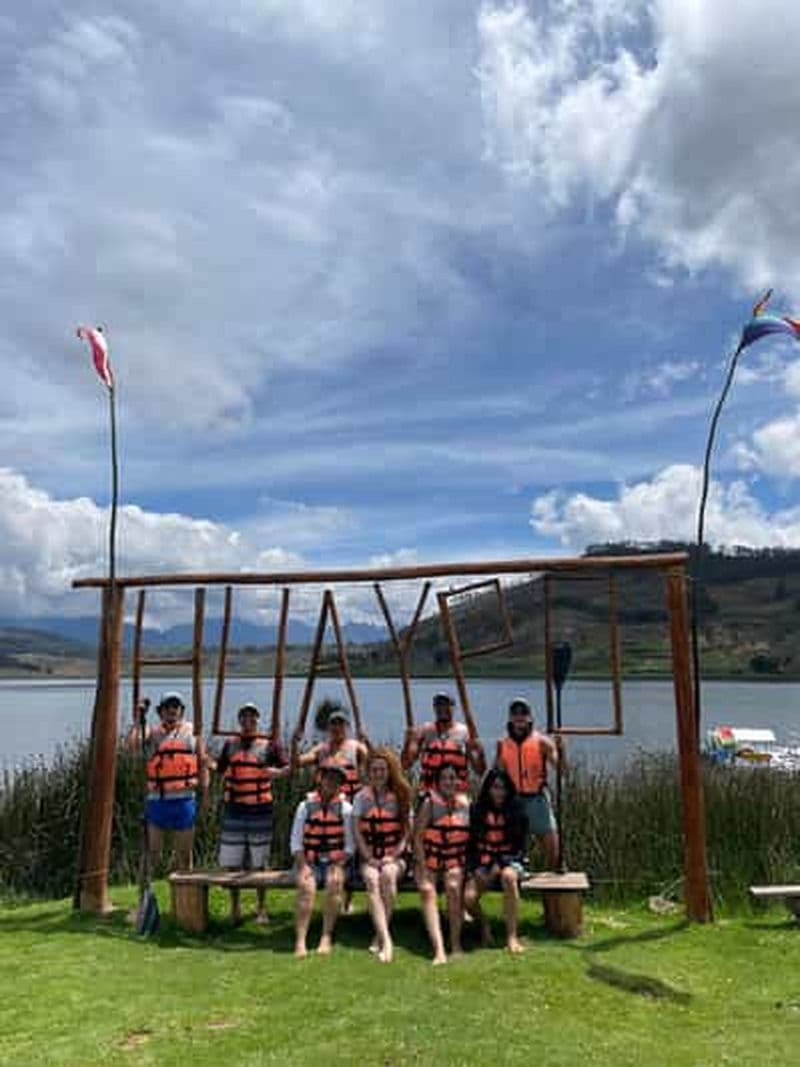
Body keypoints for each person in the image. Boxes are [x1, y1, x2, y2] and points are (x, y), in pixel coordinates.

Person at [214, 702, 289, 925]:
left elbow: (287, 768)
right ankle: (235, 908)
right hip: (234, 809)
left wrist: (273, 773)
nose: (248, 722)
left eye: (252, 717)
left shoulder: (270, 745)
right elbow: (220, 771)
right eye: (244, 717)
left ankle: (261, 908)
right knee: (232, 863)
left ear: (257, 720)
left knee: (259, 862)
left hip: (260, 810)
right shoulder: (229, 745)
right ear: (239, 720)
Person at [126, 690, 209, 874]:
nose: (172, 710)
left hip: (185, 801)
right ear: (160, 711)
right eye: (167, 707)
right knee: (152, 853)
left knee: (184, 854)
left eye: (175, 706)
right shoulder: (152, 732)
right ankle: (144, 893)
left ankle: (186, 897)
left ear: (181, 710)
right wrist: (139, 718)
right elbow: (132, 745)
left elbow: (203, 764)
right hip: (158, 801)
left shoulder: (193, 733)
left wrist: (205, 797)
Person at [352, 747, 412, 963]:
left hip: (394, 857)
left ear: (390, 771)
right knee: (371, 878)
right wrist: (368, 856)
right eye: (374, 770)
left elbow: (406, 832)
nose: (378, 774)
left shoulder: (400, 796)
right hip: (370, 856)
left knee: (387, 875)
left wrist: (394, 855)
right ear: (369, 772)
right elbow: (357, 831)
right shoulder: (360, 797)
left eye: (383, 770)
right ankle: (386, 939)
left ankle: (379, 936)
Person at [290, 760, 355, 957]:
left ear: (341, 784)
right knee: (306, 887)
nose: (331, 783)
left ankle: (326, 936)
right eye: (328, 778)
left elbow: (350, 846)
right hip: (309, 860)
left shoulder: (346, 809)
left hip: (336, 861)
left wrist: (339, 863)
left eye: (336, 780)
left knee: (334, 883)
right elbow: (296, 842)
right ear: (321, 779)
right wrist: (303, 866)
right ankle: (300, 940)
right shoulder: (305, 806)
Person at [413, 762, 471, 965]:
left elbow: (467, 837)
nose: (449, 782)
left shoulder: (464, 804)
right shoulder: (429, 803)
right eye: (445, 778)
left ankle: (455, 943)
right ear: (437, 782)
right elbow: (418, 838)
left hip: (454, 858)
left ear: (458, 781)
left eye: (452, 778)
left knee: (454, 887)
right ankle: (438, 949)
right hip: (430, 857)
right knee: (427, 890)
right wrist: (423, 864)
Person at [464, 768, 527, 954]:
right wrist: (476, 868)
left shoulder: (518, 810)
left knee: (509, 877)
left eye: (503, 788)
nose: (499, 792)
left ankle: (512, 936)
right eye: (495, 788)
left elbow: (521, 848)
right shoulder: (477, 810)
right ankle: (484, 925)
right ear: (488, 789)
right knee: (468, 898)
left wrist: (499, 865)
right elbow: (471, 845)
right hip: (483, 862)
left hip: (510, 861)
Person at [495, 697, 560, 869]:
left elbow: (562, 770)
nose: (519, 718)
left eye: (523, 714)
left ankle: (556, 883)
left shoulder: (543, 742)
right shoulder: (502, 744)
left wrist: (561, 750)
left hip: (537, 799)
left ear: (530, 717)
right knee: (514, 851)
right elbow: (498, 775)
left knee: (553, 850)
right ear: (510, 718)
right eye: (515, 714)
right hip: (513, 801)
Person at [402, 691, 485, 795]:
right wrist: (406, 743)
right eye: (438, 705)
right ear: (434, 708)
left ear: (453, 707)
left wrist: (481, 753)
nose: (442, 709)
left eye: (446, 705)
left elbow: (479, 769)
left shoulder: (465, 733)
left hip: (457, 793)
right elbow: (406, 764)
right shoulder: (424, 731)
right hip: (429, 792)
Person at [292, 702, 368, 802]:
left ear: (347, 727)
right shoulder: (321, 749)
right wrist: (294, 743)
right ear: (328, 727)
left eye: (340, 724)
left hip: (350, 803)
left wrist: (366, 741)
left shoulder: (356, 747)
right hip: (326, 804)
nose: (337, 727)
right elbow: (296, 762)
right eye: (334, 723)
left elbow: (373, 761)